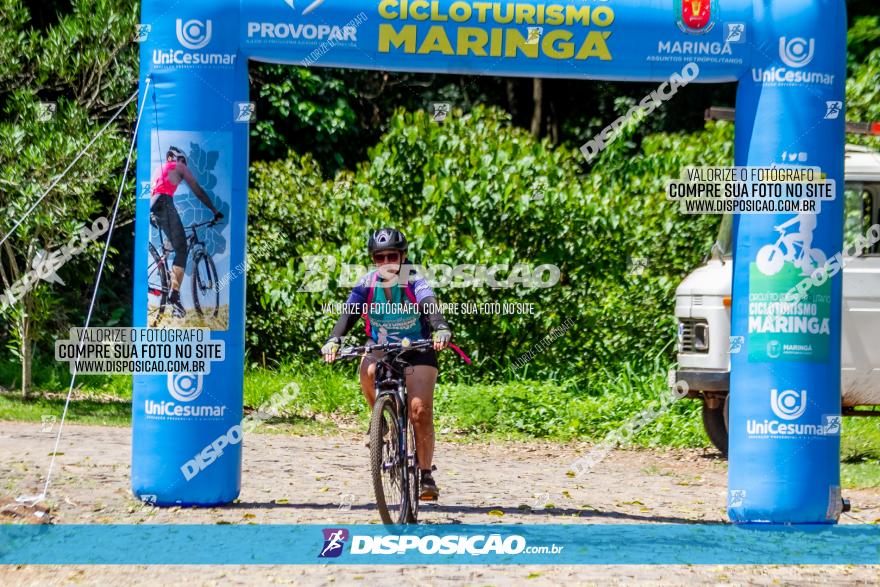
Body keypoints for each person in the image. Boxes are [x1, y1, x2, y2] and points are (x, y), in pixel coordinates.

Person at [321, 228, 453, 501]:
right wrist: (334, 340)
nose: (386, 263)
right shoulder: (366, 284)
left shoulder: (414, 280)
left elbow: (429, 305)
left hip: (417, 349)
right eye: (379, 258)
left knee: (419, 410)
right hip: (382, 347)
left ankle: (426, 474)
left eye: (392, 256)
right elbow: (349, 314)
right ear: (374, 260)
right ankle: (379, 419)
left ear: (403, 256)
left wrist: (440, 327)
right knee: (367, 369)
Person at [150, 146, 223, 317]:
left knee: (174, 245)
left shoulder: (159, 169)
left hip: (153, 206)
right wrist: (214, 210)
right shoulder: (180, 167)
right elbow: (197, 191)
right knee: (182, 248)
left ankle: (167, 280)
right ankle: (174, 297)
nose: (184, 165)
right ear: (176, 159)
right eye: (183, 161)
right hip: (164, 203)